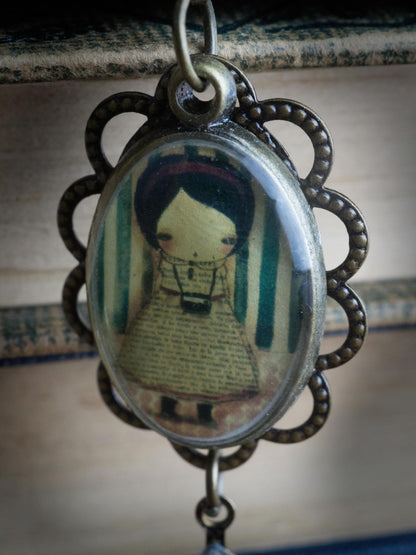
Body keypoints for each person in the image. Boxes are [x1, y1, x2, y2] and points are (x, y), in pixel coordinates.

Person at [118, 151, 260, 428]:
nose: (195, 249)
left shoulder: (218, 270)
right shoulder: (168, 265)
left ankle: (205, 413)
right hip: (168, 315)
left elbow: (223, 290)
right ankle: (167, 407)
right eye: (168, 236)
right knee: (168, 363)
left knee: (209, 369)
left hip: (213, 321)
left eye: (225, 239)